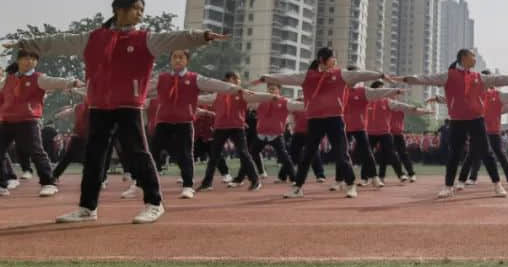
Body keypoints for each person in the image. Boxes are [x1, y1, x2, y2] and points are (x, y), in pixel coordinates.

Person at [5, 0, 225, 223]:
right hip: (99, 105)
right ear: (119, 10)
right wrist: (24, 43)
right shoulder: (92, 38)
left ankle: (154, 202)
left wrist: (203, 36)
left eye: (142, 10)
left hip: (128, 105)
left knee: (138, 152)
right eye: (136, 9)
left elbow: (175, 38)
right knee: (94, 156)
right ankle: (87, 208)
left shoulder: (145, 39)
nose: (141, 13)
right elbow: (58, 42)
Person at [399, 48, 508, 199]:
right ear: (464, 57)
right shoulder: (448, 75)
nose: (474, 59)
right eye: (472, 56)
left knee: (486, 153)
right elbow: (427, 78)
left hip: (476, 120)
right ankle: (448, 187)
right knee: (454, 154)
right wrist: (407, 79)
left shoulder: (478, 76)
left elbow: (498, 79)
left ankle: (497, 185)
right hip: (457, 121)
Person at [259, 47, 384, 198]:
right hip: (315, 120)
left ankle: (351, 185)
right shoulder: (307, 76)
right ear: (323, 60)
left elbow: (359, 75)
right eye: (333, 58)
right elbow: (286, 77)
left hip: (335, 119)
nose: (335, 61)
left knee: (341, 153)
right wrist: (266, 77)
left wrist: (379, 74)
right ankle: (297, 187)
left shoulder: (340, 74)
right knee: (307, 154)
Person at [148, 50, 239, 199]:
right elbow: (144, 87)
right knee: (152, 153)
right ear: (171, 60)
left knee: (186, 154)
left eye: (181, 57)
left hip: (184, 122)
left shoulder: (194, 78)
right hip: (163, 122)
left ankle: (188, 186)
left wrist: (236, 89)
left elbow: (215, 84)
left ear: (186, 61)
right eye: (174, 57)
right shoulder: (161, 78)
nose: (177, 60)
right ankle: (143, 184)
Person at [0, 51, 81, 196]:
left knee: (36, 151)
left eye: (33, 59)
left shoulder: (39, 78)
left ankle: (49, 182)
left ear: (36, 62)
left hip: (28, 120)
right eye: (25, 58)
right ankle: (2, 183)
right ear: (18, 61)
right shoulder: (8, 79)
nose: (29, 61)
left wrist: (72, 82)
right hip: (7, 120)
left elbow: (54, 81)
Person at [342, 76, 404, 190]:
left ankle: (401, 174)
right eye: (380, 90)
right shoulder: (367, 100)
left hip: (385, 132)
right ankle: (364, 178)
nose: (383, 92)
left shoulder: (387, 101)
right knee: (367, 154)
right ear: (374, 91)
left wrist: (415, 109)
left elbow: (401, 106)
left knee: (391, 153)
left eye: (383, 90)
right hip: (369, 132)